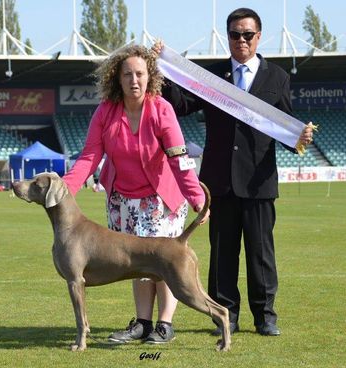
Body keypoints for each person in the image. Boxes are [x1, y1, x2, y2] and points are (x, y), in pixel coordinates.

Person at [153, 8, 313, 336]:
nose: (241, 40)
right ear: (227, 37)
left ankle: (265, 315)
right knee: (222, 254)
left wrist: (300, 138)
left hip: (259, 183)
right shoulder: (211, 76)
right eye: (235, 34)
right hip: (219, 182)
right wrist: (163, 69)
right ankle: (226, 315)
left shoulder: (278, 77)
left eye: (248, 34)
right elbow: (181, 106)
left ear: (259, 36)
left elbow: (285, 130)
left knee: (261, 253)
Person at [63, 45, 209, 345]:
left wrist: (196, 198)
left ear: (150, 77)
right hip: (122, 202)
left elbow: (179, 159)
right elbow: (90, 156)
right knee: (135, 264)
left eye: (140, 74)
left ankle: (164, 325)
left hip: (160, 201)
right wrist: (66, 190)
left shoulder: (162, 110)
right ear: (117, 78)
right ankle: (142, 323)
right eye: (127, 74)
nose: (134, 80)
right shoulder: (106, 111)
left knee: (165, 262)